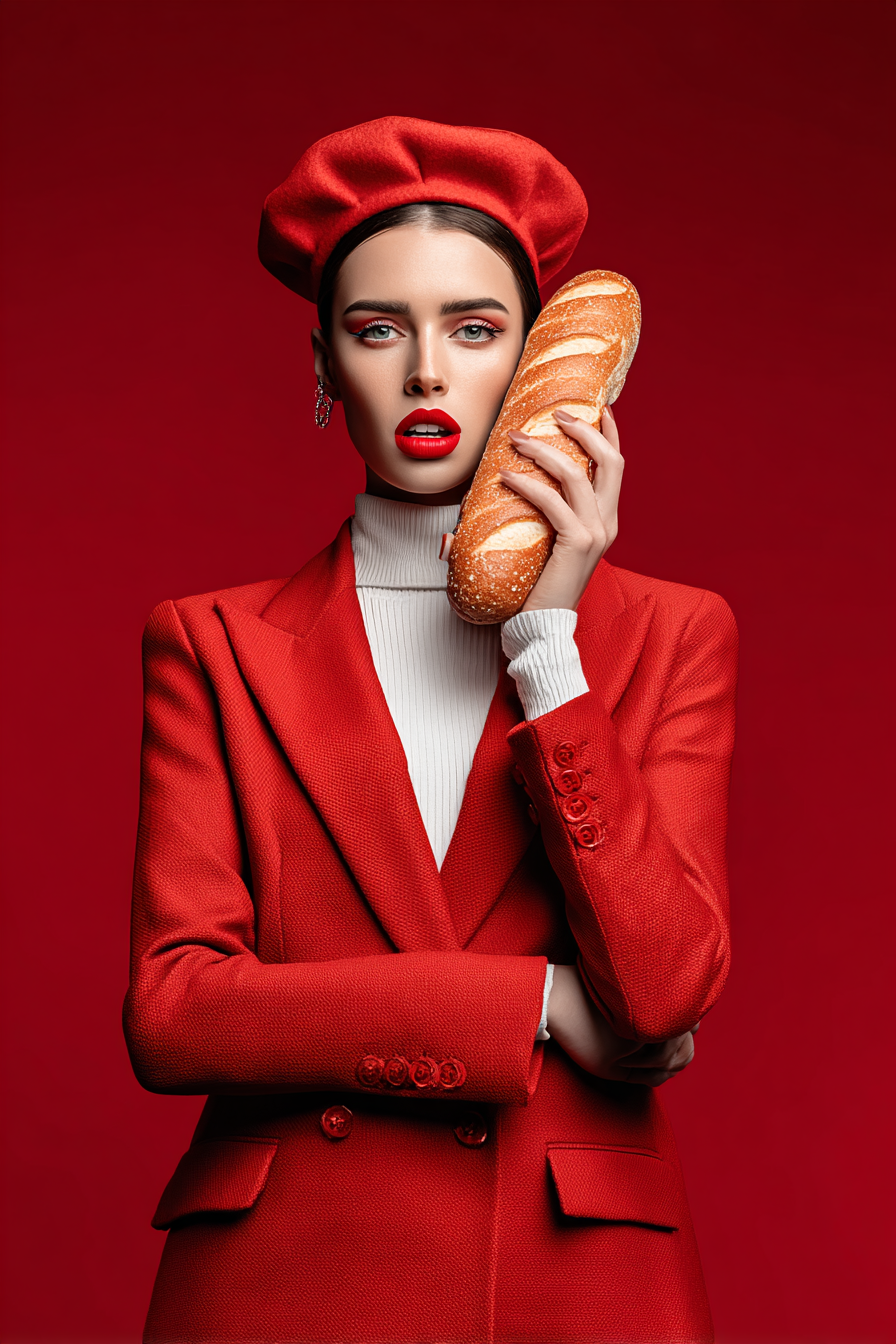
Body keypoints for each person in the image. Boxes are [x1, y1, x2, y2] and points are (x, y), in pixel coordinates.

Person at [124, 116, 738, 1344]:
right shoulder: (211, 642)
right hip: (286, 1278)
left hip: (573, 1280)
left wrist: (546, 644)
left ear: (530, 362)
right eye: (374, 330)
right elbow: (176, 1007)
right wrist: (530, 1007)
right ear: (319, 370)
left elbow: (664, 991)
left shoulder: (669, 632)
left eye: (471, 329)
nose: (423, 374)